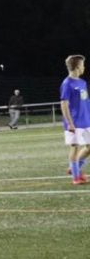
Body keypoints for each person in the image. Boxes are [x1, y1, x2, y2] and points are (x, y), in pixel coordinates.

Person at [60, 55, 90, 185]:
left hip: (86, 121)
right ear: (77, 66)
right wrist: (70, 123)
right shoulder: (67, 83)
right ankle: (76, 177)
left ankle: (74, 168)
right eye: (82, 65)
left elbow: (85, 101)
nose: (84, 67)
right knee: (75, 147)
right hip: (75, 122)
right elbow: (64, 104)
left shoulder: (82, 82)